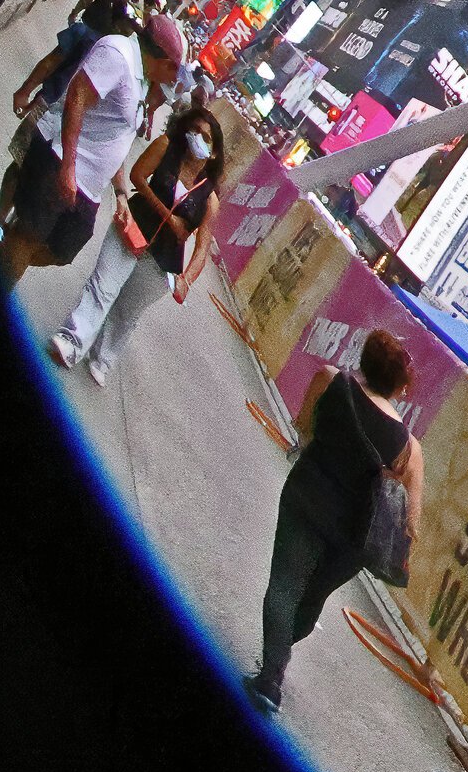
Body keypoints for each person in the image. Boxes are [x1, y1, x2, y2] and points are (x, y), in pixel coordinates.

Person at [246, 328, 418, 716]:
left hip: (307, 498)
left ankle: (272, 675)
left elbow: (303, 424)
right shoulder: (406, 443)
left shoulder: (332, 380)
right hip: (352, 535)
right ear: (399, 387)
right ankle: (276, 661)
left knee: (284, 586)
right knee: (310, 601)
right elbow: (409, 511)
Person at [53, 92, 224, 385]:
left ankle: (102, 358)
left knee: (127, 311)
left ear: (215, 151)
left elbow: (203, 244)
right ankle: (72, 339)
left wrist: (186, 280)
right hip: (133, 225)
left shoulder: (210, 198)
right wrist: (169, 216)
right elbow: (137, 175)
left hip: (162, 259)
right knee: (103, 287)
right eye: (194, 131)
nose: (197, 138)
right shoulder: (165, 146)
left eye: (205, 137)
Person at [0, 0, 144, 291]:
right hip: (48, 111)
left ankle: (4, 240)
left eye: (131, 26)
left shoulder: (128, 73)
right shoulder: (87, 37)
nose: (126, 30)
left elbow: (115, 136)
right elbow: (52, 61)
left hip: (70, 139)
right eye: (124, 23)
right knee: (18, 168)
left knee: (39, 234)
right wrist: (26, 91)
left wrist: (119, 191)